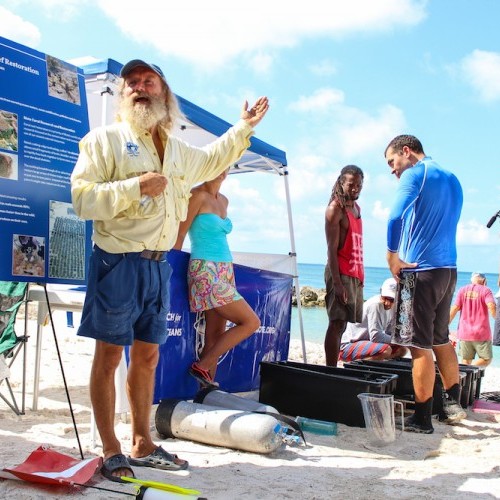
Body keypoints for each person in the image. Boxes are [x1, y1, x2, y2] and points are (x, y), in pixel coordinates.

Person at [70, 59, 269, 482]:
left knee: (148, 354)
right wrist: (135, 186)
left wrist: (243, 127)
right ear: (123, 95)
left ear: (165, 93)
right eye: (132, 84)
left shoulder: (178, 151)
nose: (140, 88)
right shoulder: (103, 141)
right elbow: (82, 199)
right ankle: (110, 449)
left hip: (159, 266)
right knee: (108, 357)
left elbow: (216, 158)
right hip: (117, 261)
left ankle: (142, 442)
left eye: (149, 82)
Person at [385, 134, 466, 434]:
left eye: (393, 162)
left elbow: (394, 217)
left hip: (421, 270)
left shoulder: (415, 175)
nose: (393, 170)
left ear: (407, 152)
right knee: (440, 339)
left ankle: (422, 418)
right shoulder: (452, 178)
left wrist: (392, 256)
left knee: (418, 346)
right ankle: (451, 406)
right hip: (449, 270)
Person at [173, 169, 260, 386]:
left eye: (226, 165)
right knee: (251, 322)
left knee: (215, 336)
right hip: (204, 269)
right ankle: (201, 367)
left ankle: (205, 393)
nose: (222, 170)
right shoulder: (196, 195)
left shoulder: (224, 200)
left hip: (225, 269)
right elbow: (180, 233)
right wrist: (170, 267)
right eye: (217, 163)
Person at [324, 165, 364, 367]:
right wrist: (337, 283)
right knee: (336, 322)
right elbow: (331, 249)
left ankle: (335, 367)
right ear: (341, 182)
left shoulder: (356, 209)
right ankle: (330, 369)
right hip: (339, 271)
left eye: (359, 184)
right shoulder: (335, 208)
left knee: (344, 324)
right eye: (351, 184)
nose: (355, 188)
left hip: (354, 272)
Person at [339, 278, 408, 362]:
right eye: (385, 298)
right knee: (386, 350)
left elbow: (390, 332)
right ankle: (359, 364)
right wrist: (399, 340)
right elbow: (376, 336)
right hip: (348, 346)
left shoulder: (394, 308)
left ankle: (375, 360)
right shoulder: (374, 305)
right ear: (381, 292)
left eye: (392, 300)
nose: (387, 303)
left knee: (402, 350)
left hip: (366, 343)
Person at [449, 272, 496, 366]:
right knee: (487, 359)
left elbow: (455, 308)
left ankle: (467, 377)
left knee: (466, 361)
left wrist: (445, 325)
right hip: (481, 334)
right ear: (484, 280)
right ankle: (472, 369)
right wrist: (497, 319)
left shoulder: (462, 290)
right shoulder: (486, 290)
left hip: (464, 333)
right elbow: (491, 305)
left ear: (472, 280)